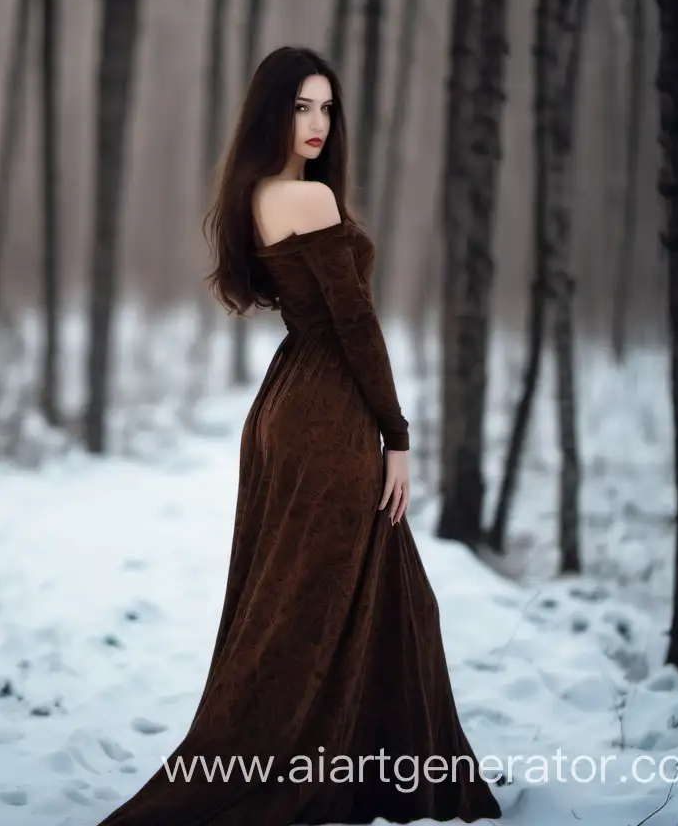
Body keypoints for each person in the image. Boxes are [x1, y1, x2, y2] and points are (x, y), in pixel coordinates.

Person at [95, 46, 502, 825]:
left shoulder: (258, 194)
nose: (316, 124)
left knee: (366, 597)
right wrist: (399, 436)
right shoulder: (307, 201)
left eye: (326, 109)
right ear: (271, 111)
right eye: (300, 107)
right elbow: (356, 325)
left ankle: (370, 774)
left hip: (290, 407)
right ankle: (290, 771)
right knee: (303, 614)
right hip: (328, 418)